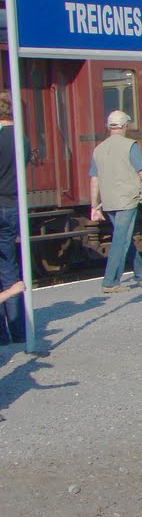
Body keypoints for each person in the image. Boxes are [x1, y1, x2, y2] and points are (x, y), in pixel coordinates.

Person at [90, 110, 142, 294]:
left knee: (123, 237)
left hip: (108, 202)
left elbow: (94, 179)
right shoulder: (130, 145)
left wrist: (94, 205)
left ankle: (141, 275)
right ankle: (110, 281)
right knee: (121, 239)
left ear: (109, 127)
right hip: (127, 200)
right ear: (125, 126)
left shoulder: (98, 149)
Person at [0, 91, 26, 344]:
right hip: (12, 205)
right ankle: (19, 332)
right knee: (9, 267)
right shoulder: (21, 139)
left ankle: (1, 336)